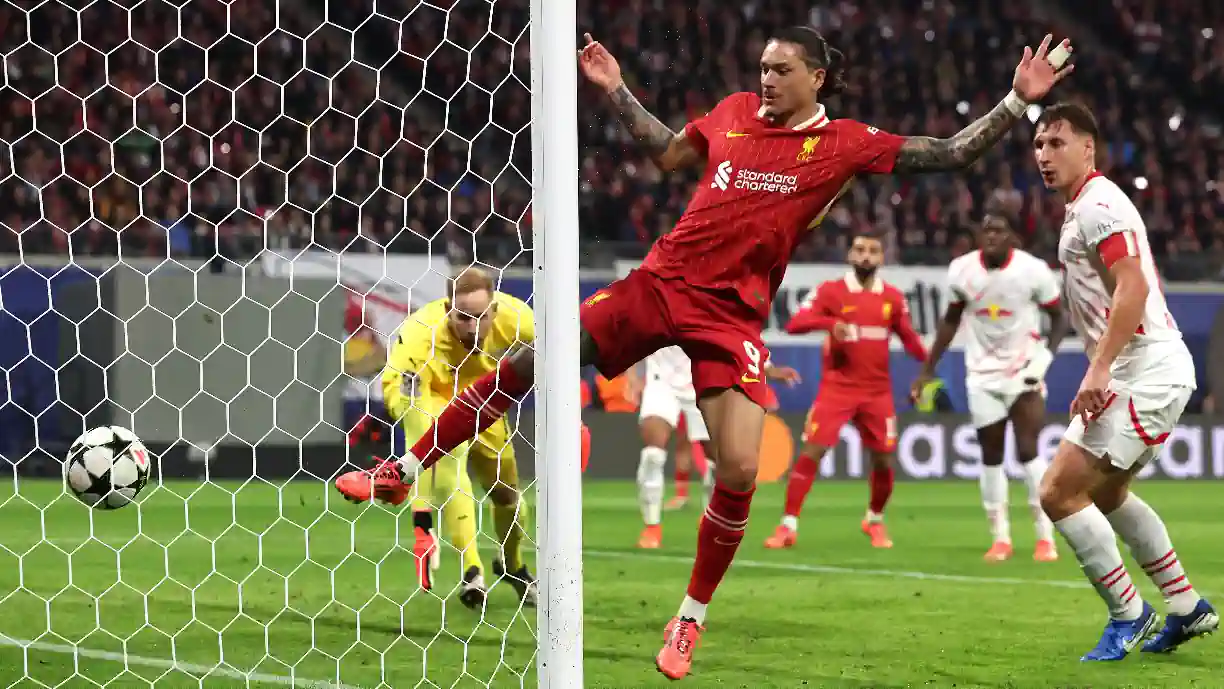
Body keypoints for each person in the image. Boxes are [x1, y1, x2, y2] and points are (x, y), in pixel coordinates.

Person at [336, 27, 1074, 680]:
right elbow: (665, 154)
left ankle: (689, 614)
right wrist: (617, 89)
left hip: (731, 318)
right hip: (660, 283)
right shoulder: (730, 116)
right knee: (531, 363)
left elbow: (946, 154)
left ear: (816, 77)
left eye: (781, 69)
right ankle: (403, 470)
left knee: (743, 467)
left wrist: (1016, 102)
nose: (765, 79)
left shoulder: (843, 141)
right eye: (761, 67)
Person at [1032, 102, 1217, 660]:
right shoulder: (1082, 208)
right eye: (1038, 145)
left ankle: (1129, 613)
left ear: (1089, 147)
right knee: (1109, 491)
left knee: (1058, 491)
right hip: (1139, 367)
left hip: (1148, 368)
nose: (1044, 155)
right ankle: (1186, 608)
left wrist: (1099, 366)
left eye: (1057, 143)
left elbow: (1132, 287)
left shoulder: (1101, 205)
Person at [337, 268, 538, 609]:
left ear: (494, 310)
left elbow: (563, 355)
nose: (473, 328)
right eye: (463, 318)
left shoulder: (519, 317)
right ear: (447, 309)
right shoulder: (418, 334)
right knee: (450, 460)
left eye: (480, 317)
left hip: (486, 402)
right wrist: (422, 516)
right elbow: (410, 414)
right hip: (434, 399)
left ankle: (512, 565)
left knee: (507, 496)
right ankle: (472, 569)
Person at [911, 213, 1067, 563]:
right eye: (986, 230)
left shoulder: (1032, 270)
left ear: (1012, 236)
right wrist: (926, 370)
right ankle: (1001, 539)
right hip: (981, 376)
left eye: (999, 230)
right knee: (991, 456)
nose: (992, 236)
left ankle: (1045, 538)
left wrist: (1044, 359)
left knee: (1028, 450)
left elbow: (1060, 317)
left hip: (1024, 371)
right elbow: (951, 320)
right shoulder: (962, 271)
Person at [764, 229, 926, 551]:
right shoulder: (831, 292)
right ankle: (787, 526)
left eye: (873, 250)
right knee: (812, 451)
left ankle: (874, 520)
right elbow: (795, 323)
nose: (866, 255)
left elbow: (910, 340)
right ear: (850, 256)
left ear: (882, 258)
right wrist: (828, 323)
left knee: (883, 460)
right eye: (860, 249)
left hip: (877, 392)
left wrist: (927, 373)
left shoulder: (892, 297)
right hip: (837, 388)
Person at [627, 347, 800, 549]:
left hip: (703, 381)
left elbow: (742, 333)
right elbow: (632, 333)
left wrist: (768, 368)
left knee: (717, 461)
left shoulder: (715, 314)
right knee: (652, 455)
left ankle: (712, 520)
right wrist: (632, 378)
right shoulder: (654, 313)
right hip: (660, 382)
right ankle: (652, 527)